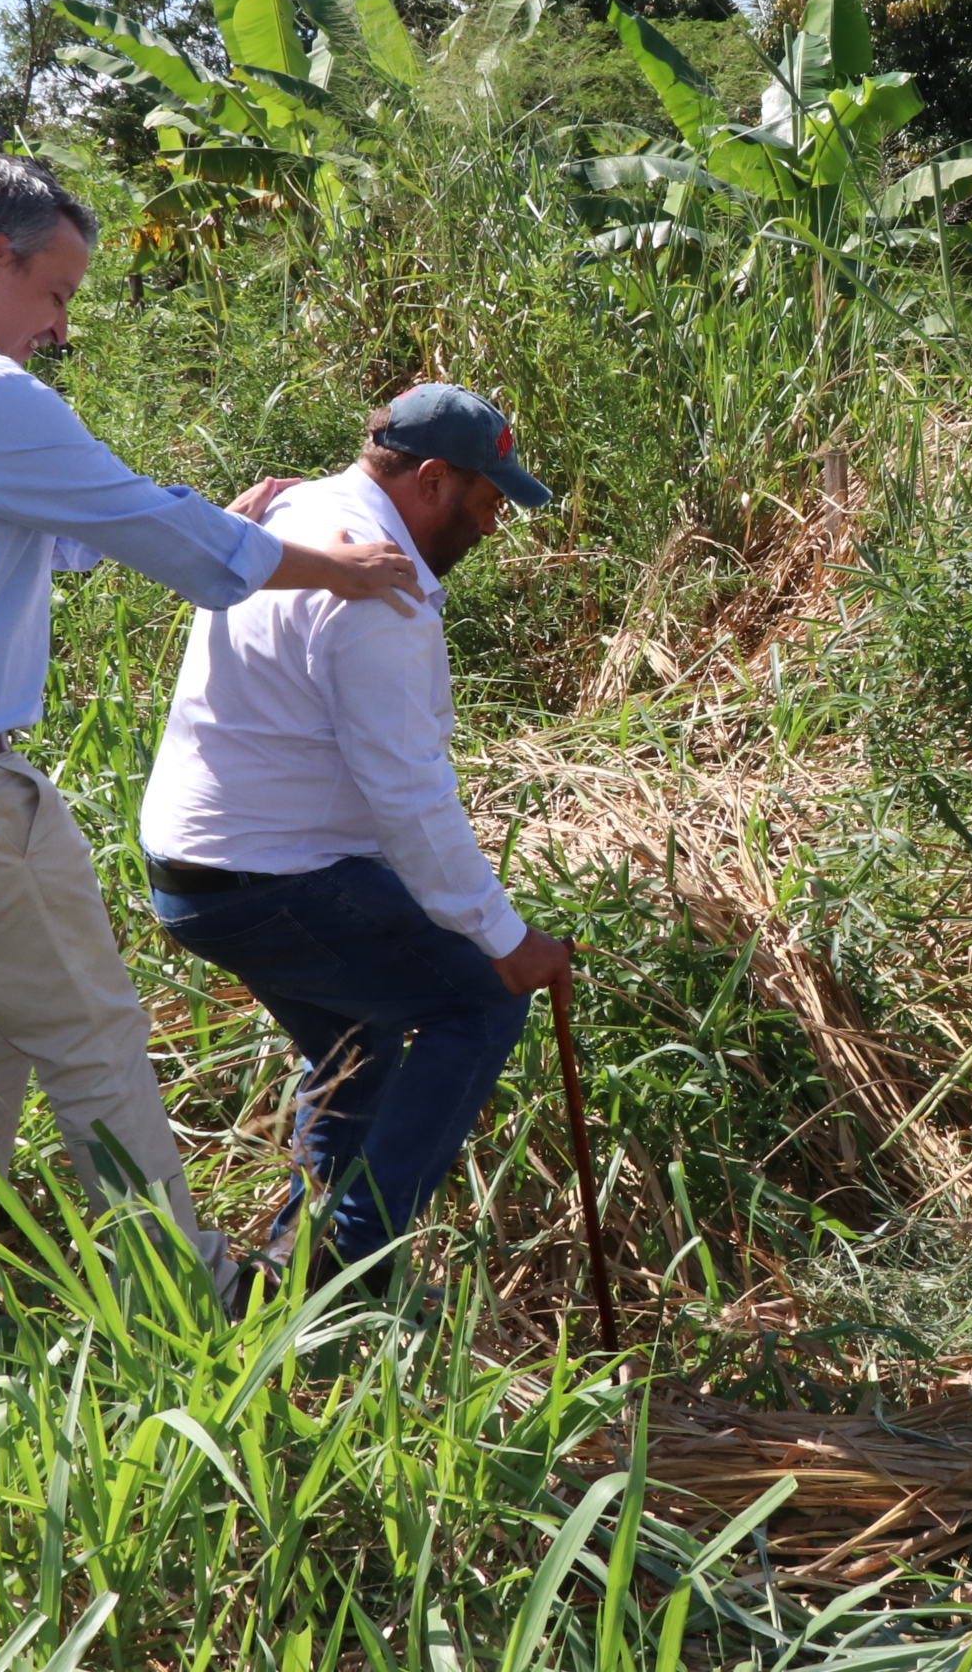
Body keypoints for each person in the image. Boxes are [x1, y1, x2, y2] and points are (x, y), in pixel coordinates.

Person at [0, 154, 422, 1300]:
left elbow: (63, 530)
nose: (61, 328)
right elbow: (167, 546)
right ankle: (192, 1297)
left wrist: (201, 523)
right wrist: (337, 569)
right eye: (57, 294)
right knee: (93, 1034)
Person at [137, 383, 573, 1298]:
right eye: (484, 500)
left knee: (357, 1045)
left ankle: (293, 1281)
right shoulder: (379, 586)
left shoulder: (295, 516)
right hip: (269, 879)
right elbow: (409, 794)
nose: (490, 524)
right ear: (431, 480)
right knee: (479, 1004)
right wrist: (504, 939)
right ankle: (352, 1271)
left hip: (193, 872)